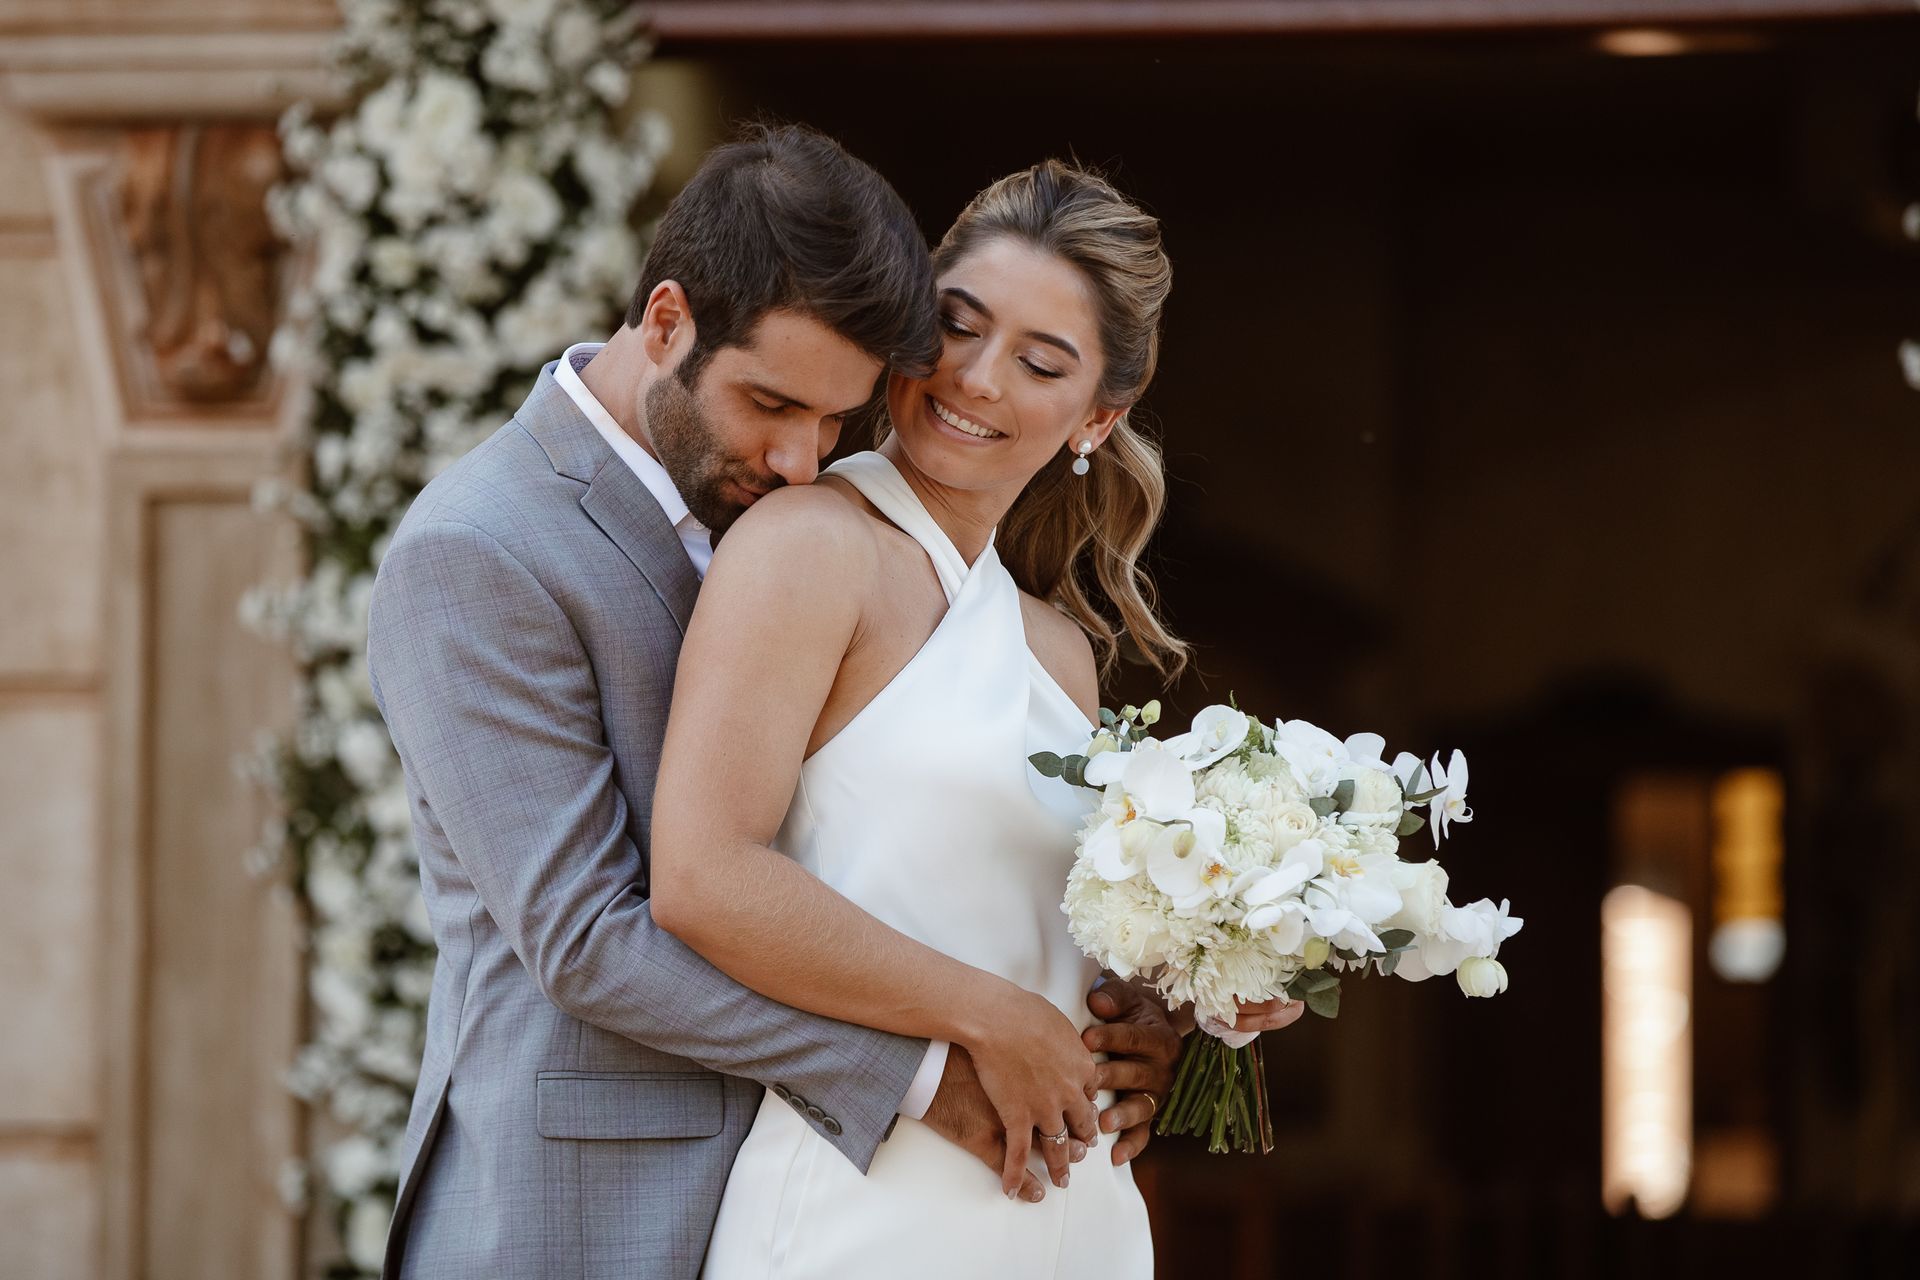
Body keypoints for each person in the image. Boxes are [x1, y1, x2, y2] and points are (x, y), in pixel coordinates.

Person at [365, 124, 1188, 1280]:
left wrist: (1166, 1017)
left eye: (834, 420)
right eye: (775, 406)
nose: (805, 459)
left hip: (962, 1185)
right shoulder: (482, 550)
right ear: (665, 323)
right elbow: (593, 938)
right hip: (582, 1205)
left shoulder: (977, 602)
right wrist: (933, 1062)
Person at [650, 159, 1306, 1280]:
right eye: (957, 326)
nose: (979, 378)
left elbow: (1056, 943)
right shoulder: (811, 545)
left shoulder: (1059, 652)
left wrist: (1184, 999)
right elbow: (703, 874)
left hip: (1069, 1205)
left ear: (1100, 413)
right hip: (866, 1196)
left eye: (1041, 362)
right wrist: (990, 1016)